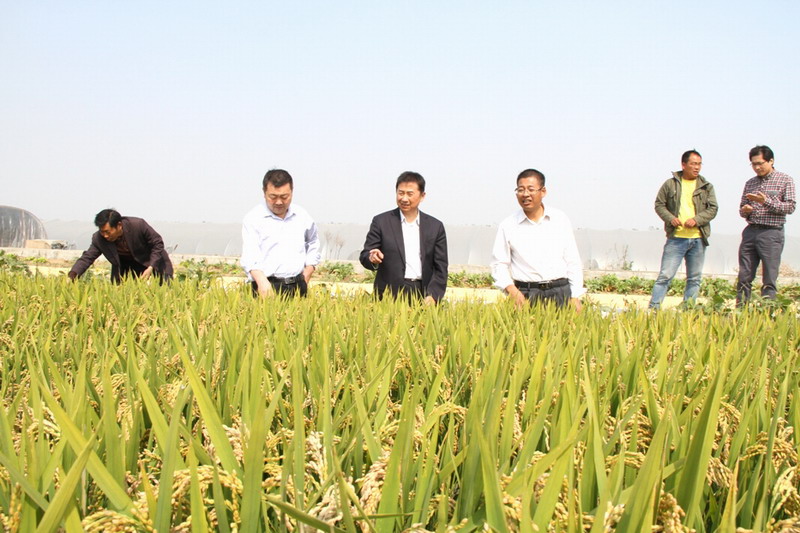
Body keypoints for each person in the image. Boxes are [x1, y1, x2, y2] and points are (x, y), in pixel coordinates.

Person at [491, 169, 585, 309]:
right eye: (520, 190)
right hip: (525, 294)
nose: (525, 194)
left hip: (560, 292)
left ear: (543, 191)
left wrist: (575, 295)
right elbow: (499, 264)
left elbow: (572, 260)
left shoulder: (559, 219)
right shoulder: (508, 225)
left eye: (531, 189)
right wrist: (512, 290)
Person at [359, 171, 448, 303]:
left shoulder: (435, 227)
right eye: (401, 193)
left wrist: (434, 295)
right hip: (389, 295)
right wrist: (372, 258)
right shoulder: (381, 222)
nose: (404, 198)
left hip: (423, 294)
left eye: (410, 194)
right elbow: (365, 255)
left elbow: (441, 267)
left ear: (422, 196)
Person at [648, 150, 718, 309]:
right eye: (693, 164)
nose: (697, 167)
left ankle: (688, 311)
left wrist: (697, 220)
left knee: (694, 278)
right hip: (676, 238)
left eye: (699, 164)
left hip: (698, 239)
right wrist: (670, 218)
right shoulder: (670, 184)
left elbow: (713, 208)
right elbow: (659, 204)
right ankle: (654, 309)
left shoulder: (706, 186)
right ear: (684, 164)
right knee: (665, 276)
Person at [241, 169, 321, 298]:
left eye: (284, 197)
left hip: (298, 285)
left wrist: (309, 270)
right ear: (264, 193)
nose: (279, 202)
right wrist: (261, 281)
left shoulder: (302, 215)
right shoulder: (254, 218)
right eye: (273, 197)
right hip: (266, 286)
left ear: (292, 192)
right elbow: (250, 254)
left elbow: (313, 241)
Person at [736, 145, 796, 304]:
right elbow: (742, 209)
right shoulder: (750, 183)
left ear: (771, 161)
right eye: (753, 164)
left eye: (760, 163)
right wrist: (746, 210)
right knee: (744, 276)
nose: (757, 167)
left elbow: (790, 207)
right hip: (750, 231)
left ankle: (767, 312)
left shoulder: (785, 180)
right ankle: (741, 310)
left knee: (769, 277)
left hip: (772, 233)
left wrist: (766, 201)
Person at [68, 209, 173, 283]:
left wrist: (151, 267)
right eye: (102, 232)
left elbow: (157, 243)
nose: (105, 235)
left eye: (107, 232)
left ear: (119, 225)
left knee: (163, 294)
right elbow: (87, 258)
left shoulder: (138, 225)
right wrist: (72, 275)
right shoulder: (99, 238)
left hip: (155, 264)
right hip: (127, 271)